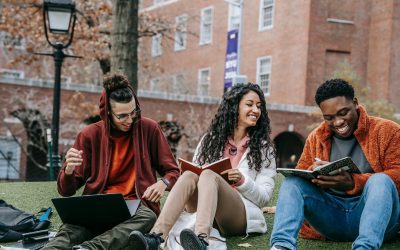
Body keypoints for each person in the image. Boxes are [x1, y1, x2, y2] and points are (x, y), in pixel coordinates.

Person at [129, 83, 277, 250]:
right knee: (189, 175)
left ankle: (202, 239)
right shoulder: (210, 140)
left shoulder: (264, 148)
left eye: (259, 106)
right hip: (204, 209)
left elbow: (264, 197)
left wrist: (242, 181)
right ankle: (155, 237)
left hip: (238, 215)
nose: (256, 110)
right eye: (249, 104)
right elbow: (194, 176)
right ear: (234, 107)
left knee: (209, 175)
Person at [42, 73, 180, 250]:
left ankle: (89, 249)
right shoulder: (89, 135)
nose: (130, 120)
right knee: (68, 232)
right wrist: (68, 171)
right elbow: (66, 191)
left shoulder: (149, 129)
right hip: (97, 206)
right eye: (122, 116)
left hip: (135, 208)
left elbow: (173, 171)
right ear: (107, 113)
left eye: (133, 112)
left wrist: (163, 182)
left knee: (149, 217)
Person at [270, 79, 400, 250]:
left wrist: (354, 182)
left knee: (381, 181)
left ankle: (365, 247)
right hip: (331, 219)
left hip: (378, 222)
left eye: (343, 112)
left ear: (355, 103)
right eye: (329, 118)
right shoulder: (316, 137)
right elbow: (301, 176)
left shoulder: (387, 131)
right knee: (292, 182)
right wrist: (313, 172)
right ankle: (281, 246)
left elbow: (397, 175)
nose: (338, 122)